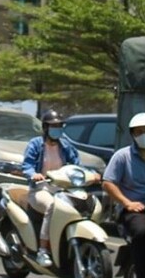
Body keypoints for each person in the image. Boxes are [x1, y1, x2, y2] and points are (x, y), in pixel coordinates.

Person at [21, 108, 97, 268]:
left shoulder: (65, 146)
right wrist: (34, 174)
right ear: (45, 127)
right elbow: (27, 165)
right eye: (53, 126)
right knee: (52, 207)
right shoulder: (36, 144)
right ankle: (43, 250)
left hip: (63, 190)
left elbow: (77, 165)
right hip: (40, 189)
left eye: (59, 126)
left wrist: (91, 174)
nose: (57, 129)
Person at [102, 112, 145, 278]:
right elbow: (108, 183)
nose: (144, 135)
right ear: (132, 135)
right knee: (142, 232)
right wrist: (127, 203)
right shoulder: (122, 156)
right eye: (139, 132)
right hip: (133, 210)